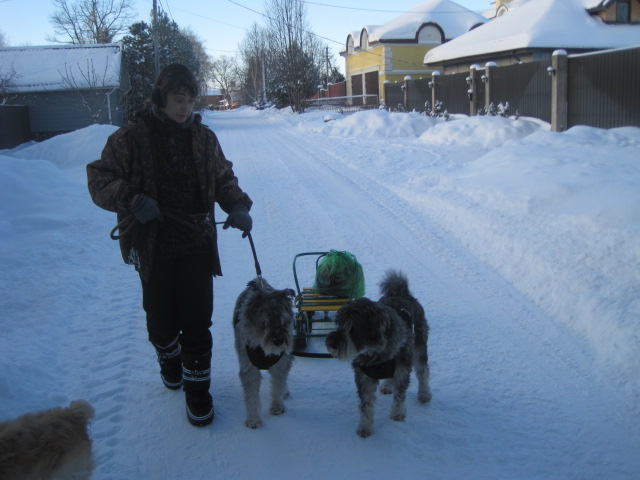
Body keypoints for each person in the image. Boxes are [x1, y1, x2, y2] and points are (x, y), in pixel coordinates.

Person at [87, 64, 253, 427]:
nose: (185, 108)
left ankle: (198, 391)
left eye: (190, 101)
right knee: (161, 323)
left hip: (196, 242)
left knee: (197, 322)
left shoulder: (203, 138)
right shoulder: (130, 138)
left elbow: (223, 177)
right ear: (161, 97)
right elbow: (99, 179)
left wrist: (237, 205)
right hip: (153, 246)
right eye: (179, 100)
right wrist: (133, 200)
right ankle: (168, 354)